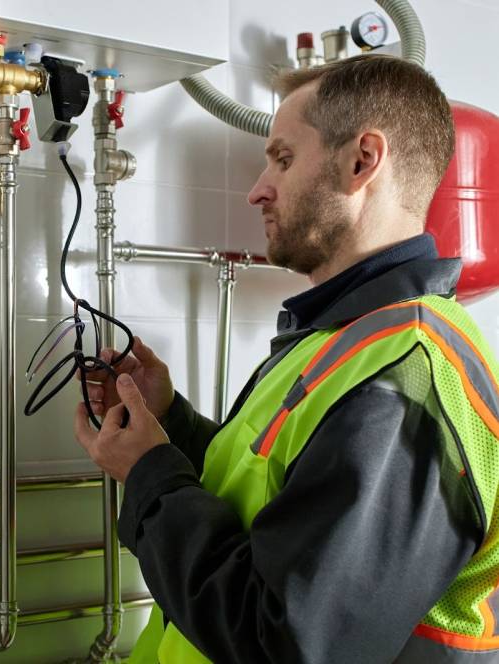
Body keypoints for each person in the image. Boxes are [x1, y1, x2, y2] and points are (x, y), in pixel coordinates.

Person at [73, 54, 499, 663]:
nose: (256, 189)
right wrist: (169, 424)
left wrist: (149, 475)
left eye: (283, 158)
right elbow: (276, 506)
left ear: (361, 162)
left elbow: (287, 643)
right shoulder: (344, 337)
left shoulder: (406, 377)